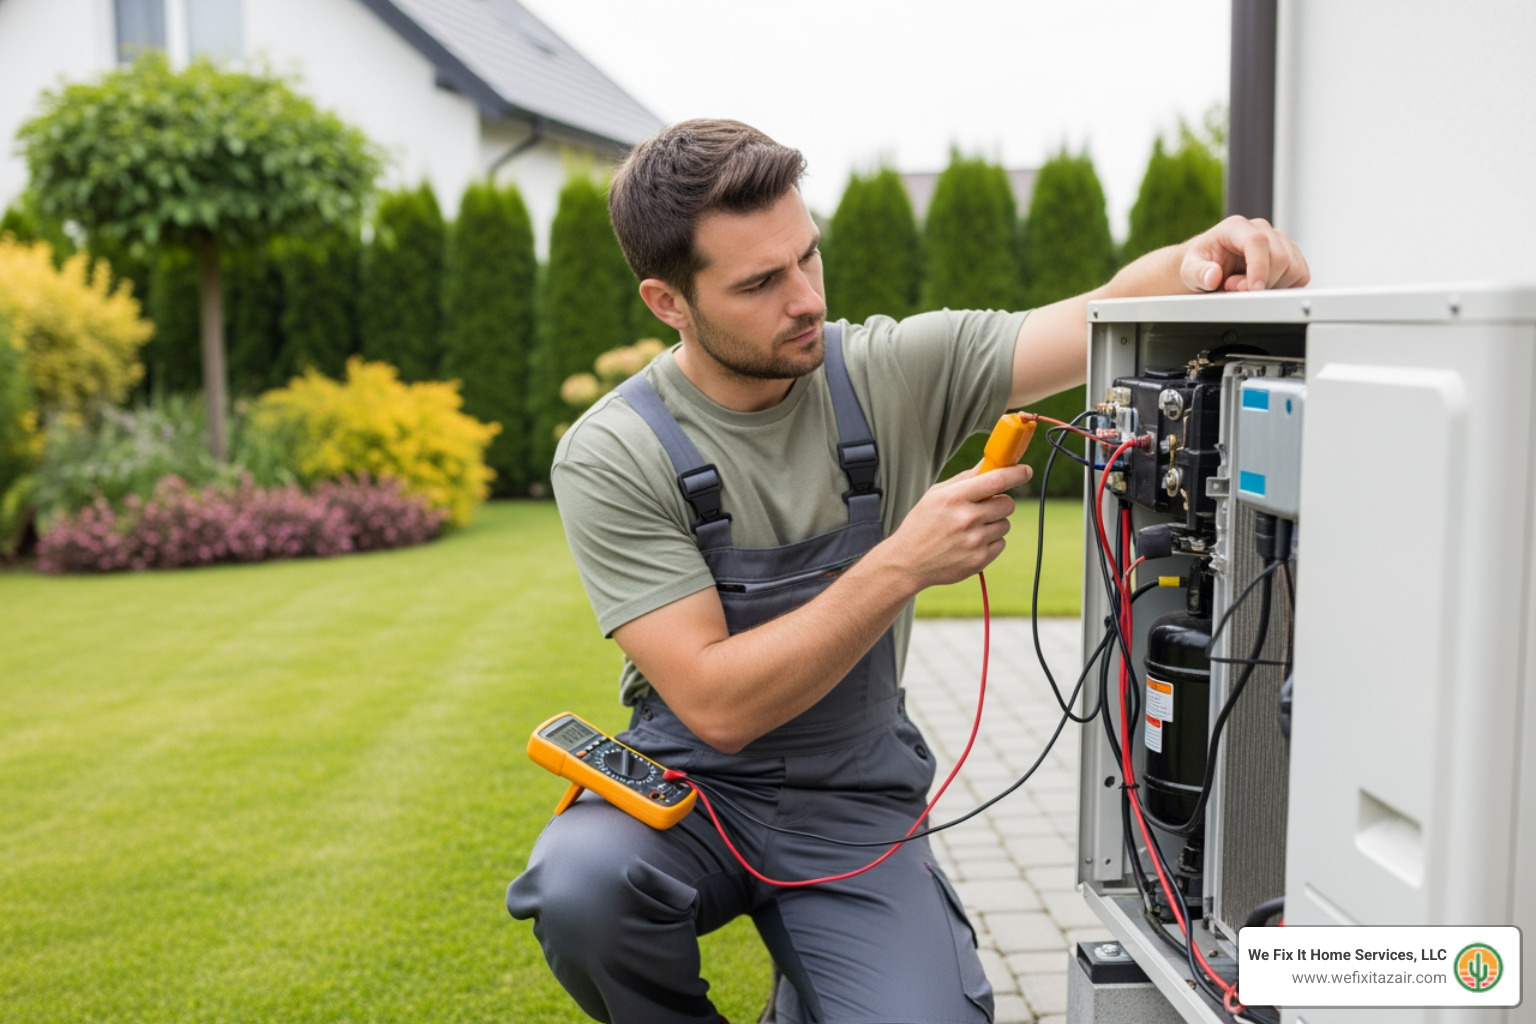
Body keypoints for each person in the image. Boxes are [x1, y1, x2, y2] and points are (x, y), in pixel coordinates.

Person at [507, 119, 1309, 1024]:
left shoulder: (886, 371)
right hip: (697, 792)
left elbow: (1093, 312)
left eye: (807, 257)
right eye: (760, 283)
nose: (805, 297)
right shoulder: (614, 451)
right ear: (668, 301)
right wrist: (902, 564)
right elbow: (717, 705)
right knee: (582, 890)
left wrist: (1210, 256)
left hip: (853, 794)